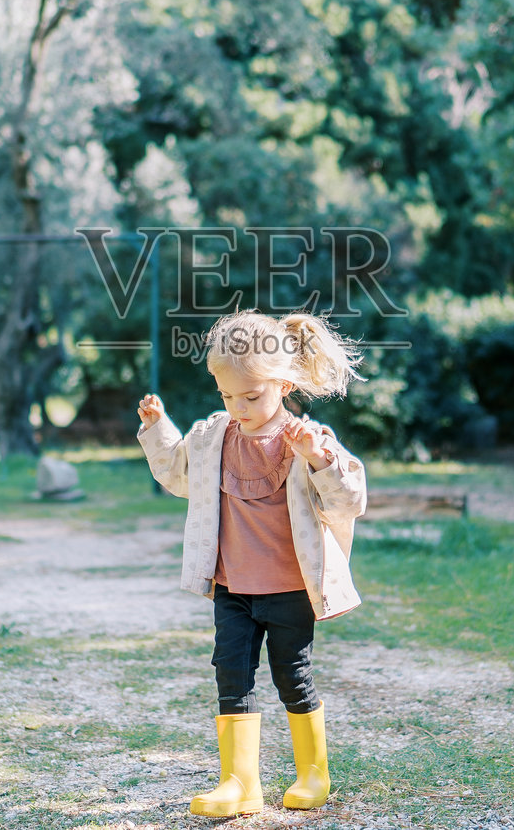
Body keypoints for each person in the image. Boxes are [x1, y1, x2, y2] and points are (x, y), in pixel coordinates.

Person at [135, 309, 367, 817]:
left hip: (289, 589)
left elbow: (348, 502)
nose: (238, 408)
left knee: (293, 675)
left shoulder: (307, 440)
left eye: (251, 396)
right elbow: (179, 476)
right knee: (231, 676)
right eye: (227, 396)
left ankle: (313, 773)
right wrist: (158, 430)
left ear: (283, 385)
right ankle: (239, 783)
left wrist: (320, 461)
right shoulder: (214, 436)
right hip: (232, 587)